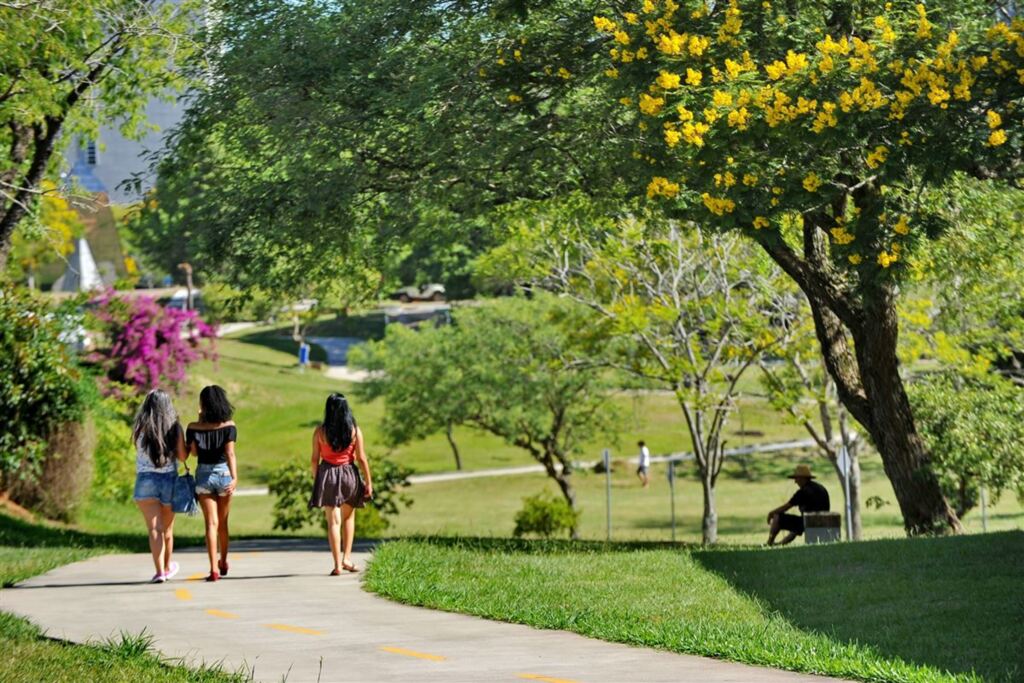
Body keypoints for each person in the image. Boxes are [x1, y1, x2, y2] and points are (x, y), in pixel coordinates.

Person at [308, 393, 373, 575]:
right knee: (348, 519)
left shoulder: (320, 432)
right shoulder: (354, 430)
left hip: (328, 475)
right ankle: (347, 558)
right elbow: (361, 458)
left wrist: (317, 479)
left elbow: (314, 460)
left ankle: (337, 565)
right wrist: (368, 482)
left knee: (333, 522)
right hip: (349, 475)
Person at [132, 389, 186, 583]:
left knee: (154, 529)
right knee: (167, 530)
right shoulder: (174, 428)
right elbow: (182, 456)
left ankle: (159, 572)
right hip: (169, 481)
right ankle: (167, 567)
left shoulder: (139, 428)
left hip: (145, 481)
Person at [187, 385, 237, 581]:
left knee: (210, 524)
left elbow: (193, 453)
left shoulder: (193, 427)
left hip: (203, 476)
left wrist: (200, 421)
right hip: (224, 474)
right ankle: (223, 561)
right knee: (223, 523)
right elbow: (230, 454)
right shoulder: (229, 426)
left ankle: (213, 570)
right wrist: (235, 478)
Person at [766, 464, 830, 546]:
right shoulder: (821, 488)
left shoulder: (802, 492)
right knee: (799, 523)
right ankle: (782, 543)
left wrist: (771, 513)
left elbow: (786, 507)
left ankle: (769, 542)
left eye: (796, 478)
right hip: (822, 520)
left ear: (802, 478)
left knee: (777, 517)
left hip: (809, 521)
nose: (795, 481)